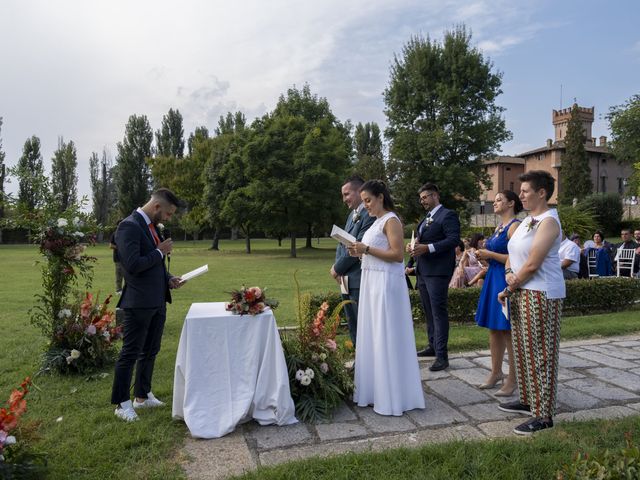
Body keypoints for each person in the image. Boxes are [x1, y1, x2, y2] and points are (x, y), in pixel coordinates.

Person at [348, 180, 425, 415]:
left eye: (368, 200)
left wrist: (366, 250)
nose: (366, 205)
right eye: (364, 202)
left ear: (381, 197)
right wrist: (359, 252)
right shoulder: (374, 223)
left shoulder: (391, 220)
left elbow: (397, 254)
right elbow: (373, 252)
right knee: (373, 335)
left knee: (386, 334)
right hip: (372, 281)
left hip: (385, 284)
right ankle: (374, 390)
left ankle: (391, 394)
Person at [497, 170, 565, 435]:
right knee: (523, 350)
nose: (521, 195)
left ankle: (543, 414)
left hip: (541, 292)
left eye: (525, 191)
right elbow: (511, 254)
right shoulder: (528, 221)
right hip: (522, 291)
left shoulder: (549, 222)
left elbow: (534, 262)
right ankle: (528, 400)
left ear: (542, 193)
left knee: (540, 354)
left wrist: (511, 284)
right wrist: (509, 277)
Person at [111, 188, 184, 422]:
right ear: (156, 207)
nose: (168, 218)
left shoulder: (151, 227)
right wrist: (159, 251)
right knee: (130, 353)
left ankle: (142, 396)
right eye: (168, 213)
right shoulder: (129, 226)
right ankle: (122, 404)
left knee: (150, 350)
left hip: (157, 300)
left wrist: (168, 278)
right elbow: (132, 265)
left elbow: (152, 264)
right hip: (138, 302)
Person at [408, 183, 461, 371]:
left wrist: (428, 248)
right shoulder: (425, 219)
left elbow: (454, 239)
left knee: (439, 313)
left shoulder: (448, 215)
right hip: (423, 271)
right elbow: (420, 242)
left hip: (438, 271)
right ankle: (432, 346)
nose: (422, 201)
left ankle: (442, 355)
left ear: (435, 196)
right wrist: (411, 259)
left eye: (425, 197)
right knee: (428, 311)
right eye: (421, 198)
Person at [474, 190, 522, 396]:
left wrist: (490, 254)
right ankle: (495, 373)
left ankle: (513, 379)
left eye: (499, 200)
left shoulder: (515, 226)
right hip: (493, 276)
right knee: (494, 329)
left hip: (505, 279)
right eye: (494, 200)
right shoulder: (499, 227)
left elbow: (516, 257)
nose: (495, 203)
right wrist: (485, 258)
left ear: (511, 203)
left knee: (507, 330)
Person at [331, 175, 375, 346]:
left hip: (358, 277)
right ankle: (360, 362)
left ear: (360, 191)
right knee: (352, 324)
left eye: (347, 194)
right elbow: (343, 244)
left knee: (362, 324)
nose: (344, 199)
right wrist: (338, 270)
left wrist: (337, 268)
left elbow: (358, 246)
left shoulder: (369, 215)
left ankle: (366, 363)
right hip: (345, 278)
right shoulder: (352, 215)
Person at [109, 219, 125, 294]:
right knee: (119, 274)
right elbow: (111, 245)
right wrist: (120, 247)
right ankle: (118, 290)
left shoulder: (126, 233)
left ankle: (126, 289)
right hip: (118, 258)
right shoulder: (114, 234)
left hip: (126, 258)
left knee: (127, 274)